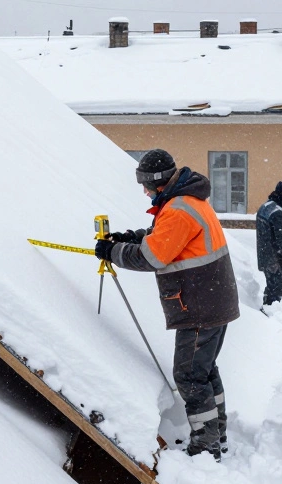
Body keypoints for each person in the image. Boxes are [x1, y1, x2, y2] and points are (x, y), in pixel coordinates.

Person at [95, 149, 240, 459]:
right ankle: (217, 437)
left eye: (146, 186)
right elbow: (164, 239)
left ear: (159, 183)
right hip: (212, 301)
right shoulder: (187, 201)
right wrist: (129, 238)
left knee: (189, 375)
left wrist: (113, 253)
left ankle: (206, 446)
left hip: (200, 306)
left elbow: (153, 257)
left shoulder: (178, 209)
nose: (144, 192)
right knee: (203, 371)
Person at [256, 181, 282, 306]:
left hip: (265, 254)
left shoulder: (265, 207)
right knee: (278, 286)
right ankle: (270, 311)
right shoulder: (278, 212)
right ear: (281, 194)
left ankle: (266, 307)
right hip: (276, 257)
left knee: (271, 284)